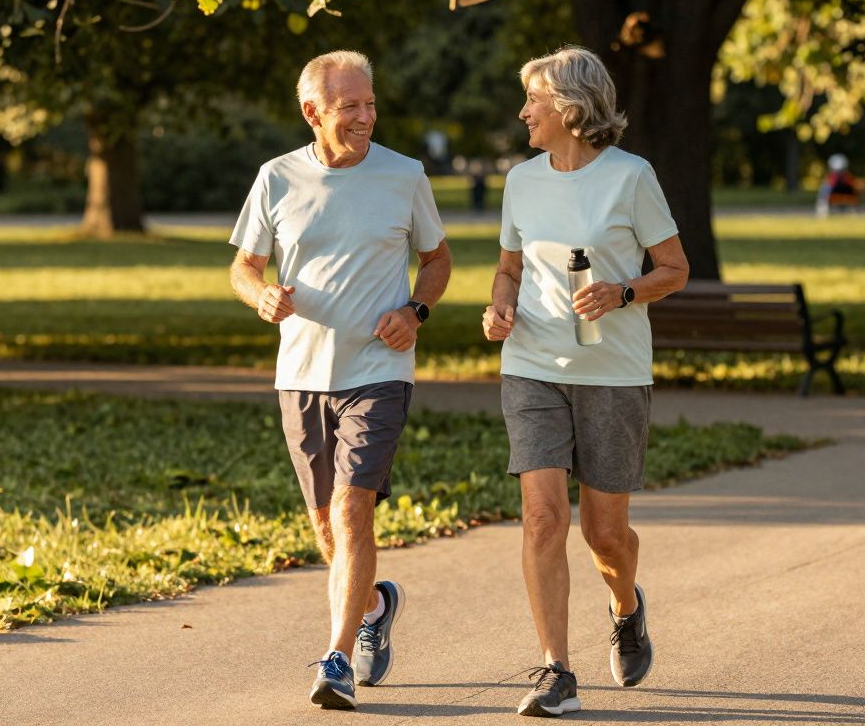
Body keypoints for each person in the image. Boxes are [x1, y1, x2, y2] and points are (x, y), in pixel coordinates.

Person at [228, 49, 452, 710]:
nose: (365, 116)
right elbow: (244, 267)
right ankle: (377, 604)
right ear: (313, 112)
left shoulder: (404, 176)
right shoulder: (276, 179)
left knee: (355, 512)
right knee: (327, 529)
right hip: (301, 373)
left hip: (379, 373)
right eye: (350, 106)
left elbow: (437, 259)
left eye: (370, 103)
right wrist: (259, 296)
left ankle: (336, 659)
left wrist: (416, 310)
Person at [481, 46, 689, 718]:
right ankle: (555, 670)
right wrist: (500, 304)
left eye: (533, 100)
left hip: (614, 374)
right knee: (543, 517)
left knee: (605, 535)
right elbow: (508, 267)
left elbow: (674, 269)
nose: (523, 113)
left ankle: (626, 607)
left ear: (569, 107)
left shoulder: (632, 178)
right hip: (532, 367)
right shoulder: (521, 180)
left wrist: (621, 292)